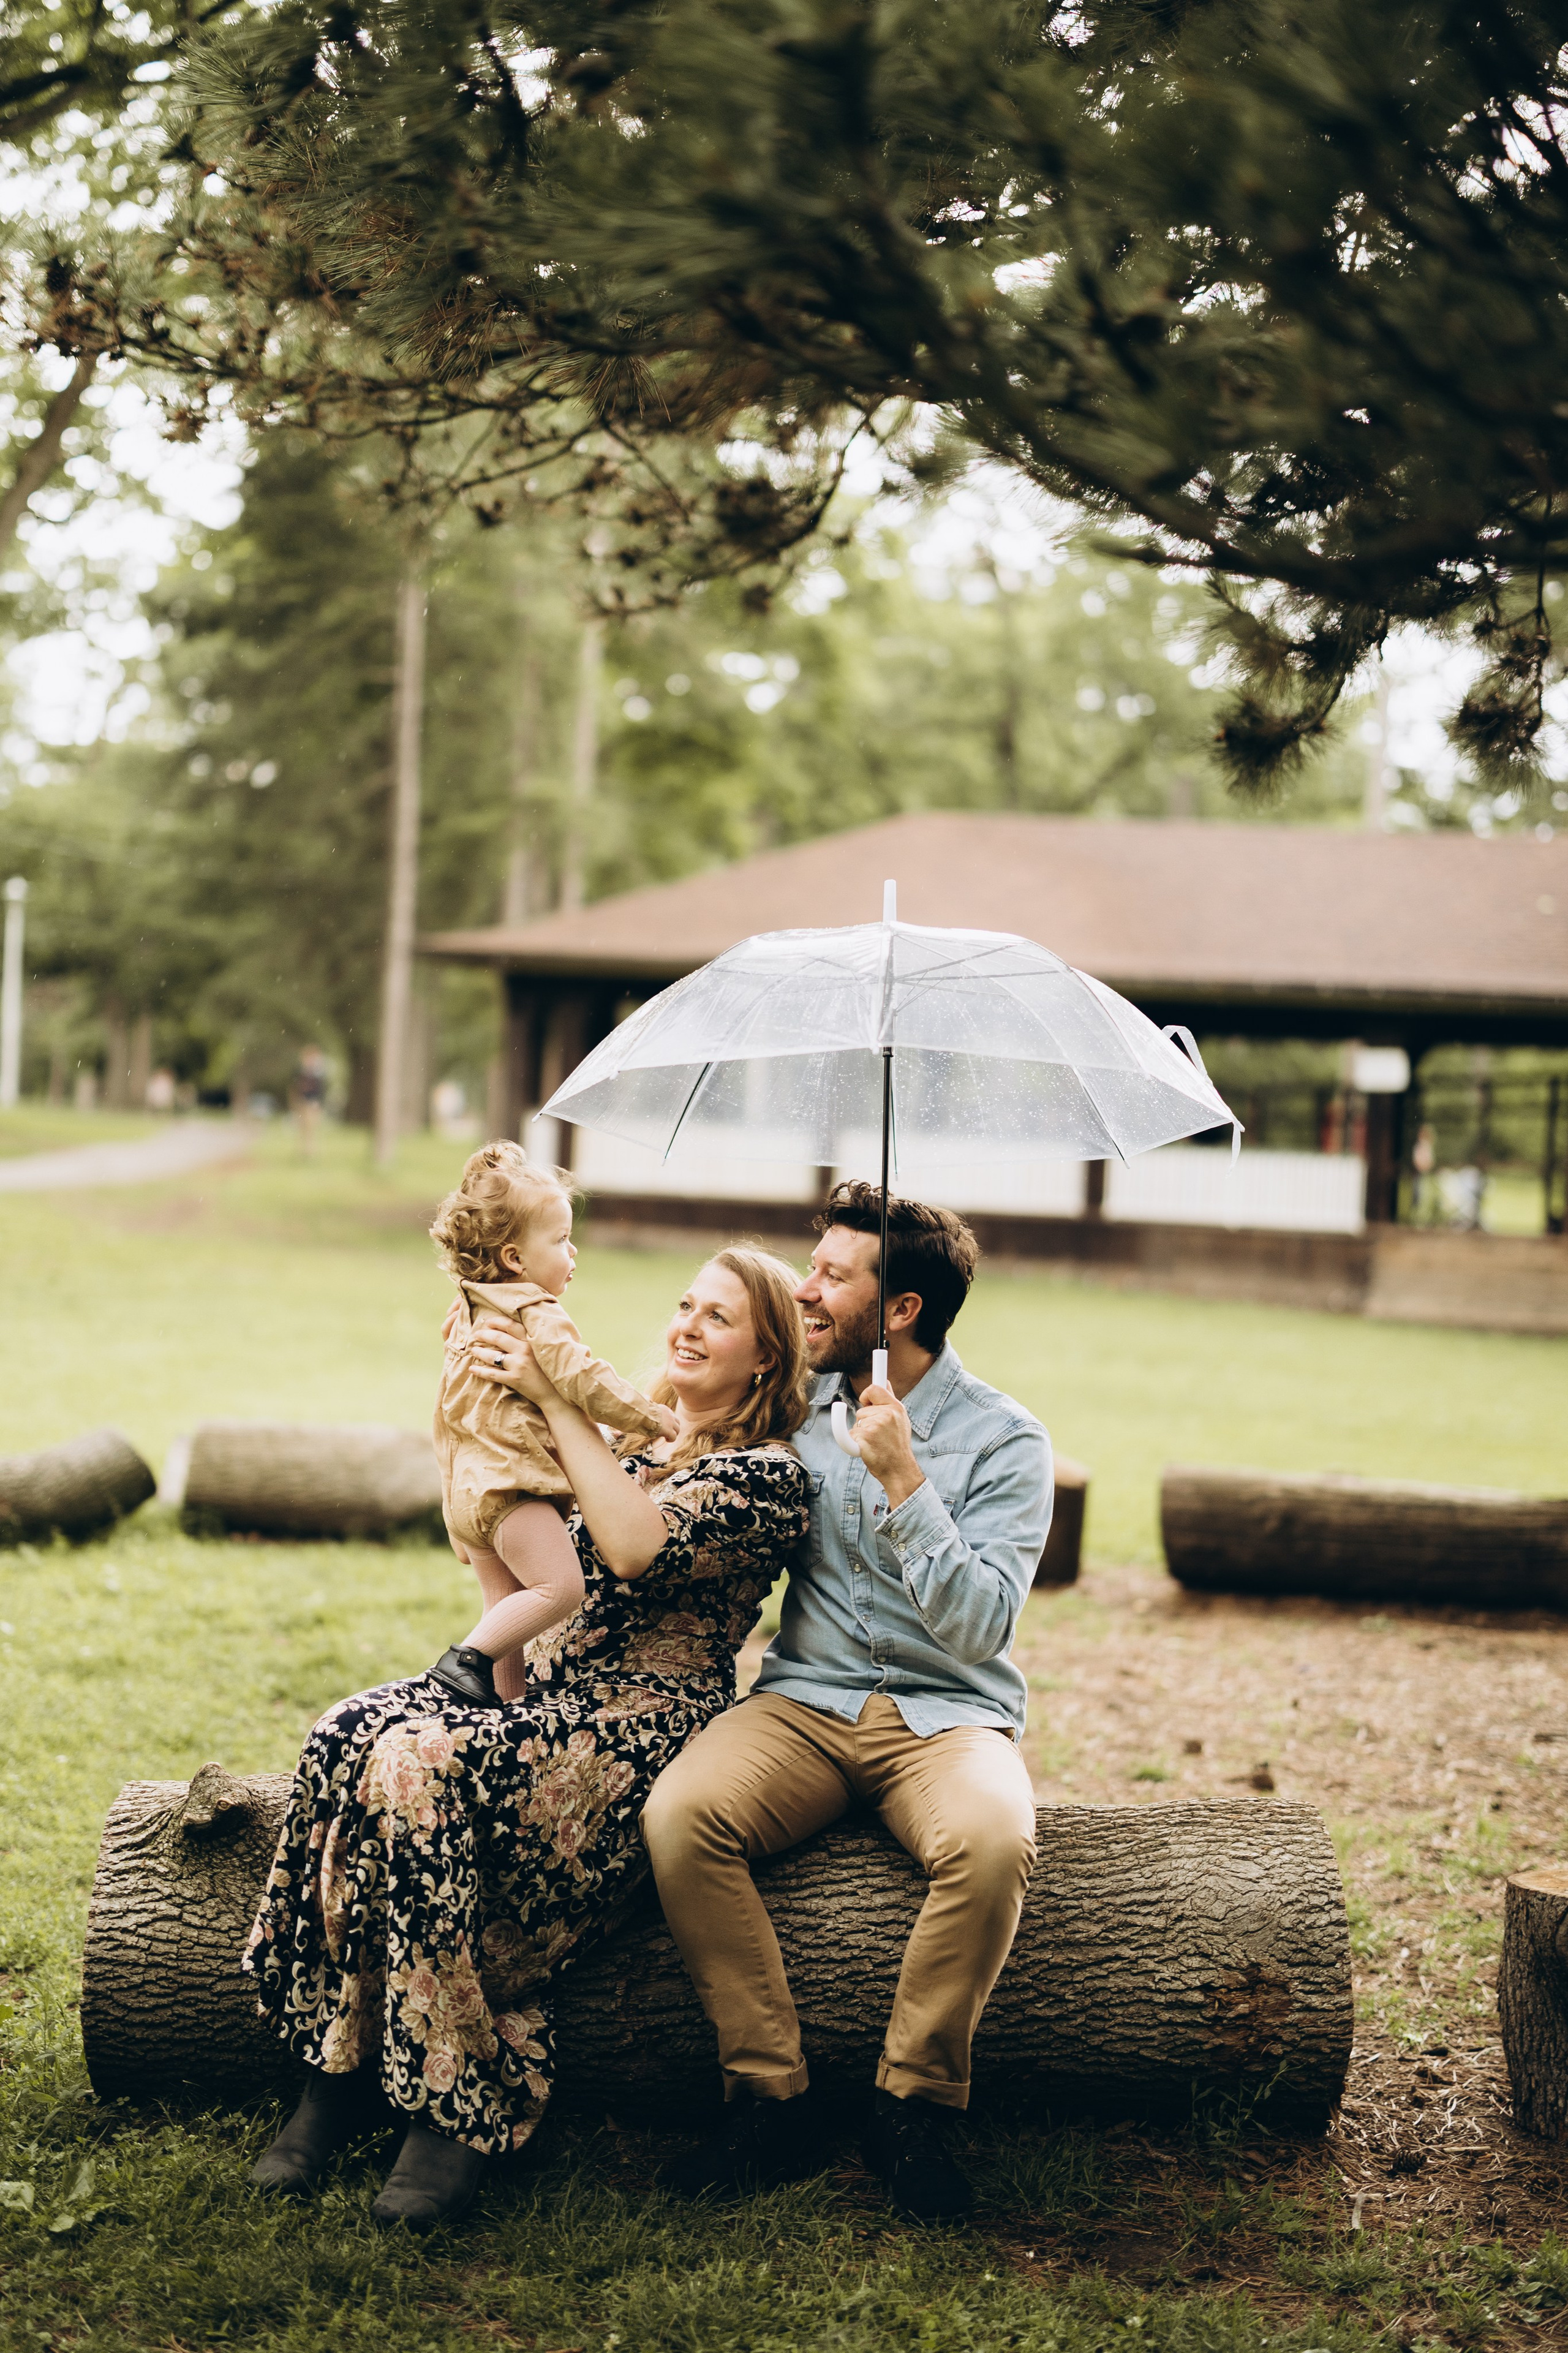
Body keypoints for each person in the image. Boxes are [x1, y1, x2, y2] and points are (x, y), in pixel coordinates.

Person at [242, 1246, 812, 2229]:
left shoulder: (768, 1480)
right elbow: (522, 1589)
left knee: (415, 1763)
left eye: (718, 1317)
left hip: (638, 1734)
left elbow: (634, 1548)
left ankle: (454, 2110)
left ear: (766, 1356)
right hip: (542, 1705)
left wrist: (554, 1403)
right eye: (684, 1303)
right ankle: (332, 2068)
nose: (686, 1324)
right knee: (350, 1731)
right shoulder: (630, 1445)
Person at [643, 1182, 1051, 2224]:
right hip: (806, 1704)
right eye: (810, 1267)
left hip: (948, 1715)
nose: (806, 1289)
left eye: (830, 1275)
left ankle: (910, 2103)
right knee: (681, 1817)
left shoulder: (1011, 1442)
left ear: (901, 1308)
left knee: (995, 1840)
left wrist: (907, 1482)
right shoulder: (796, 1416)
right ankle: (768, 2093)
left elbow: (979, 1627)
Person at [427, 1143, 676, 1705]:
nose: (574, 1251)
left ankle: (504, 1709)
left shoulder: (468, 1311)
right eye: (561, 1240)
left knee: (506, 1604)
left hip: (473, 1490)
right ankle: (464, 1661)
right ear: (515, 1257)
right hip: (514, 1489)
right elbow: (583, 1377)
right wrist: (650, 1415)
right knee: (559, 1589)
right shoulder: (534, 1311)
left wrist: (452, 1509)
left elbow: (447, 1416)